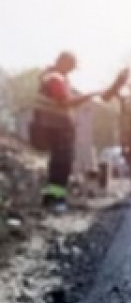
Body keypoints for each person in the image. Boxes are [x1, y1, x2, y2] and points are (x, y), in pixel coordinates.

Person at [31, 52, 99, 211]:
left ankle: (52, 198)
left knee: (60, 164)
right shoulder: (55, 79)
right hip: (56, 128)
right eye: (70, 67)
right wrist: (87, 96)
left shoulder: (54, 77)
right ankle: (55, 200)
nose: (72, 70)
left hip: (57, 127)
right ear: (63, 63)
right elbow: (65, 102)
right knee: (61, 165)